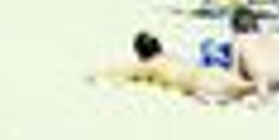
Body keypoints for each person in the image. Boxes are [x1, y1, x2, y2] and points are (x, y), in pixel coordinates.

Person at [95, 31, 251, 102]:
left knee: (230, 90)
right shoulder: (171, 56)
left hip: (199, 85)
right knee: (242, 86)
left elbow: (119, 71)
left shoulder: (149, 65)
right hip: (211, 72)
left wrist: (94, 76)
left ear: (140, 54)